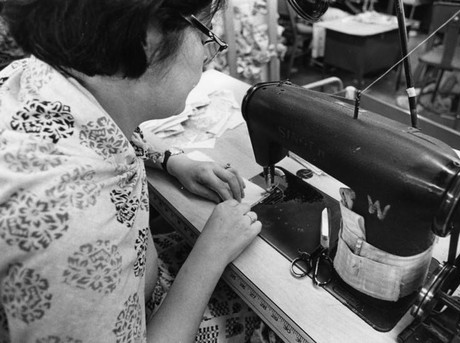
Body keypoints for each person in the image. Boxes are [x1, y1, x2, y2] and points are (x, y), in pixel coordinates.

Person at [0, 1, 278, 342]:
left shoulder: (35, 74)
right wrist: (210, 253)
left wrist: (171, 161)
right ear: (147, 36)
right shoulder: (71, 223)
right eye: (206, 32)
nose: (210, 56)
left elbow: (104, 129)